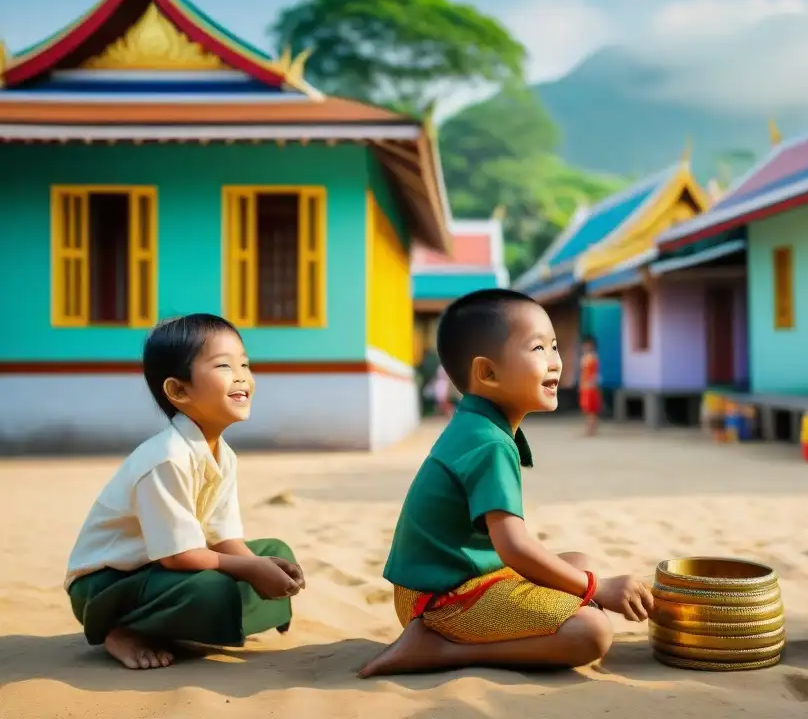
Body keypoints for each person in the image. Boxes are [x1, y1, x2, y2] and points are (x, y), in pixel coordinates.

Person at [359, 289, 653, 678]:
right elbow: (514, 546)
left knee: (578, 562)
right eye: (538, 349)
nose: (555, 361)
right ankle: (441, 650)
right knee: (592, 631)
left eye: (554, 346)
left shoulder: (479, 426)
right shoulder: (490, 443)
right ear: (488, 373)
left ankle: (446, 639)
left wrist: (586, 584)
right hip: (442, 601)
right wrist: (598, 590)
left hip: (442, 585)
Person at [64, 314, 305, 670]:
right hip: (108, 586)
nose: (241, 375)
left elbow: (223, 539)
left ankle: (199, 623)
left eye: (245, 363)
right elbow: (179, 557)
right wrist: (250, 572)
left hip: (164, 573)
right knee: (212, 590)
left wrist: (256, 565)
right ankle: (119, 630)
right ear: (179, 391)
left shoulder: (223, 456)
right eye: (224, 365)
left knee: (275, 552)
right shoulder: (166, 458)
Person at [578, 336, 601, 436]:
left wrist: (592, 382)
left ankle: (591, 428)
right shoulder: (584, 358)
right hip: (584, 386)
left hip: (591, 386)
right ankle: (589, 427)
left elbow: (594, 373)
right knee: (587, 408)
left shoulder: (593, 357)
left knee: (592, 409)